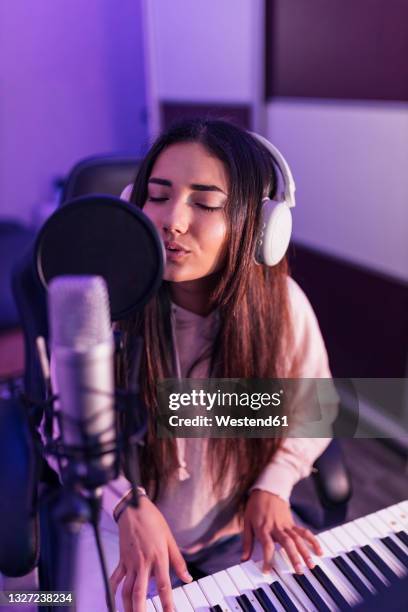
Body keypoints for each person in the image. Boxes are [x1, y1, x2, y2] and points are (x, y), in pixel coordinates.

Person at [81, 118, 333, 612]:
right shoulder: (104, 307)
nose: (173, 220)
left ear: (258, 226)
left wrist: (274, 485)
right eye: (157, 196)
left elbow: (316, 408)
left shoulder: (281, 304)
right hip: (123, 525)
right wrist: (124, 501)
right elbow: (60, 429)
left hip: (235, 528)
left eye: (206, 202)